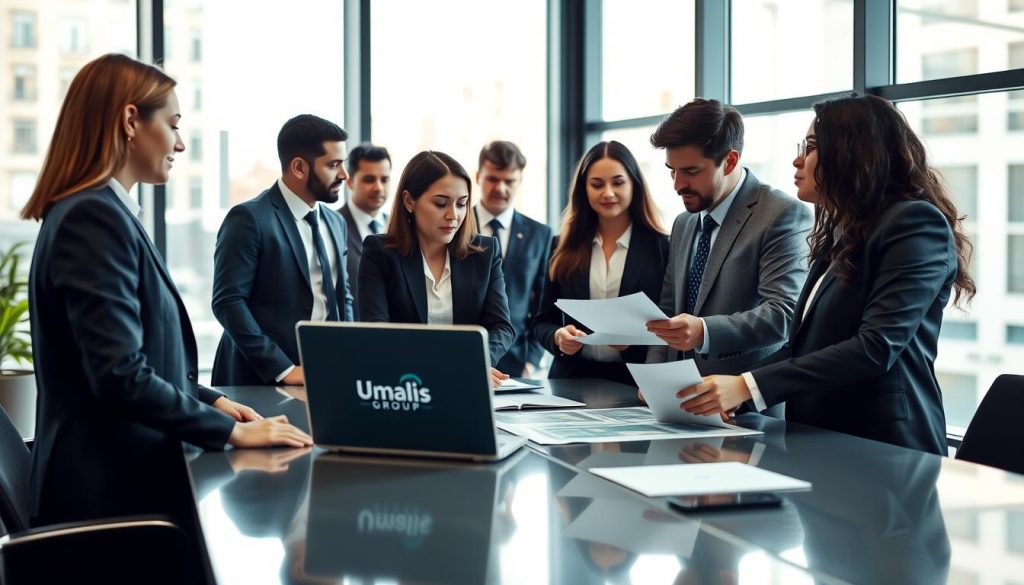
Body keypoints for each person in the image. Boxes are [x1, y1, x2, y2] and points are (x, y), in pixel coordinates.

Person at [20, 53, 311, 532]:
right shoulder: (92, 218)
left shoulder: (101, 211)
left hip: (121, 481)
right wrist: (232, 433)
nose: (179, 143)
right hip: (109, 500)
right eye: (173, 125)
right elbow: (118, 375)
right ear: (131, 120)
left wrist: (208, 399)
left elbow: (135, 354)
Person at [676, 94, 975, 454]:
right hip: (821, 437)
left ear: (853, 152)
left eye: (812, 146)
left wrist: (746, 385)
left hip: (886, 447)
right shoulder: (842, 230)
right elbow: (802, 346)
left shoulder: (914, 223)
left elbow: (876, 347)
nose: (797, 159)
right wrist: (736, 393)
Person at [644, 99, 813, 410]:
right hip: (676, 407)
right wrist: (653, 377)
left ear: (731, 161)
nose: (678, 185)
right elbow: (666, 311)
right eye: (672, 171)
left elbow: (784, 314)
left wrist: (704, 331)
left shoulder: (782, 214)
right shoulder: (684, 223)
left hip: (744, 412)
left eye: (691, 171)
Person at [211, 114, 354, 386]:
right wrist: (283, 369)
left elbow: (341, 296)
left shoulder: (336, 223)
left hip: (324, 374)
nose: (344, 175)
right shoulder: (249, 218)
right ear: (299, 167)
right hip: (257, 380)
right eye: (334, 164)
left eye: (343, 163)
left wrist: (348, 353)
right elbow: (228, 303)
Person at [358, 151, 515, 387]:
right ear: (409, 201)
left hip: (467, 385)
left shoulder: (484, 251)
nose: (453, 215)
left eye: (462, 204)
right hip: (404, 385)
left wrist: (477, 361)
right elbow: (377, 332)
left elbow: (501, 327)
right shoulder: (379, 253)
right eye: (440, 203)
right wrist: (449, 367)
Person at [531, 141, 669, 386]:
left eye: (617, 182)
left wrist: (635, 341)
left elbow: (671, 321)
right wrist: (558, 337)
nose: (607, 193)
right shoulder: (562, 246)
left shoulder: (662, 247)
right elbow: (542, 321)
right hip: (571, 382)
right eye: (597, 184)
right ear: (584, 189)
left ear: (634, 185)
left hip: (635, 383)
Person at [473, 141, 552, 377]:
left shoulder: (540, 234)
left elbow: (542, 305)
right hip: (468, 354)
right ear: (478, 176)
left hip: (518, 366)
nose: (501, 188)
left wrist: (532, 361)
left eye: (509, 181)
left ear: (520, 181)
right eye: (493, 179)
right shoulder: (456, 227)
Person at [339, 142, 391, 316]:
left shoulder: (400, 227)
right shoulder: (332, 226)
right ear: (350, 182)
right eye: (369, 179)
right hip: (351, 336)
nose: (379, 188)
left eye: (384, 179)